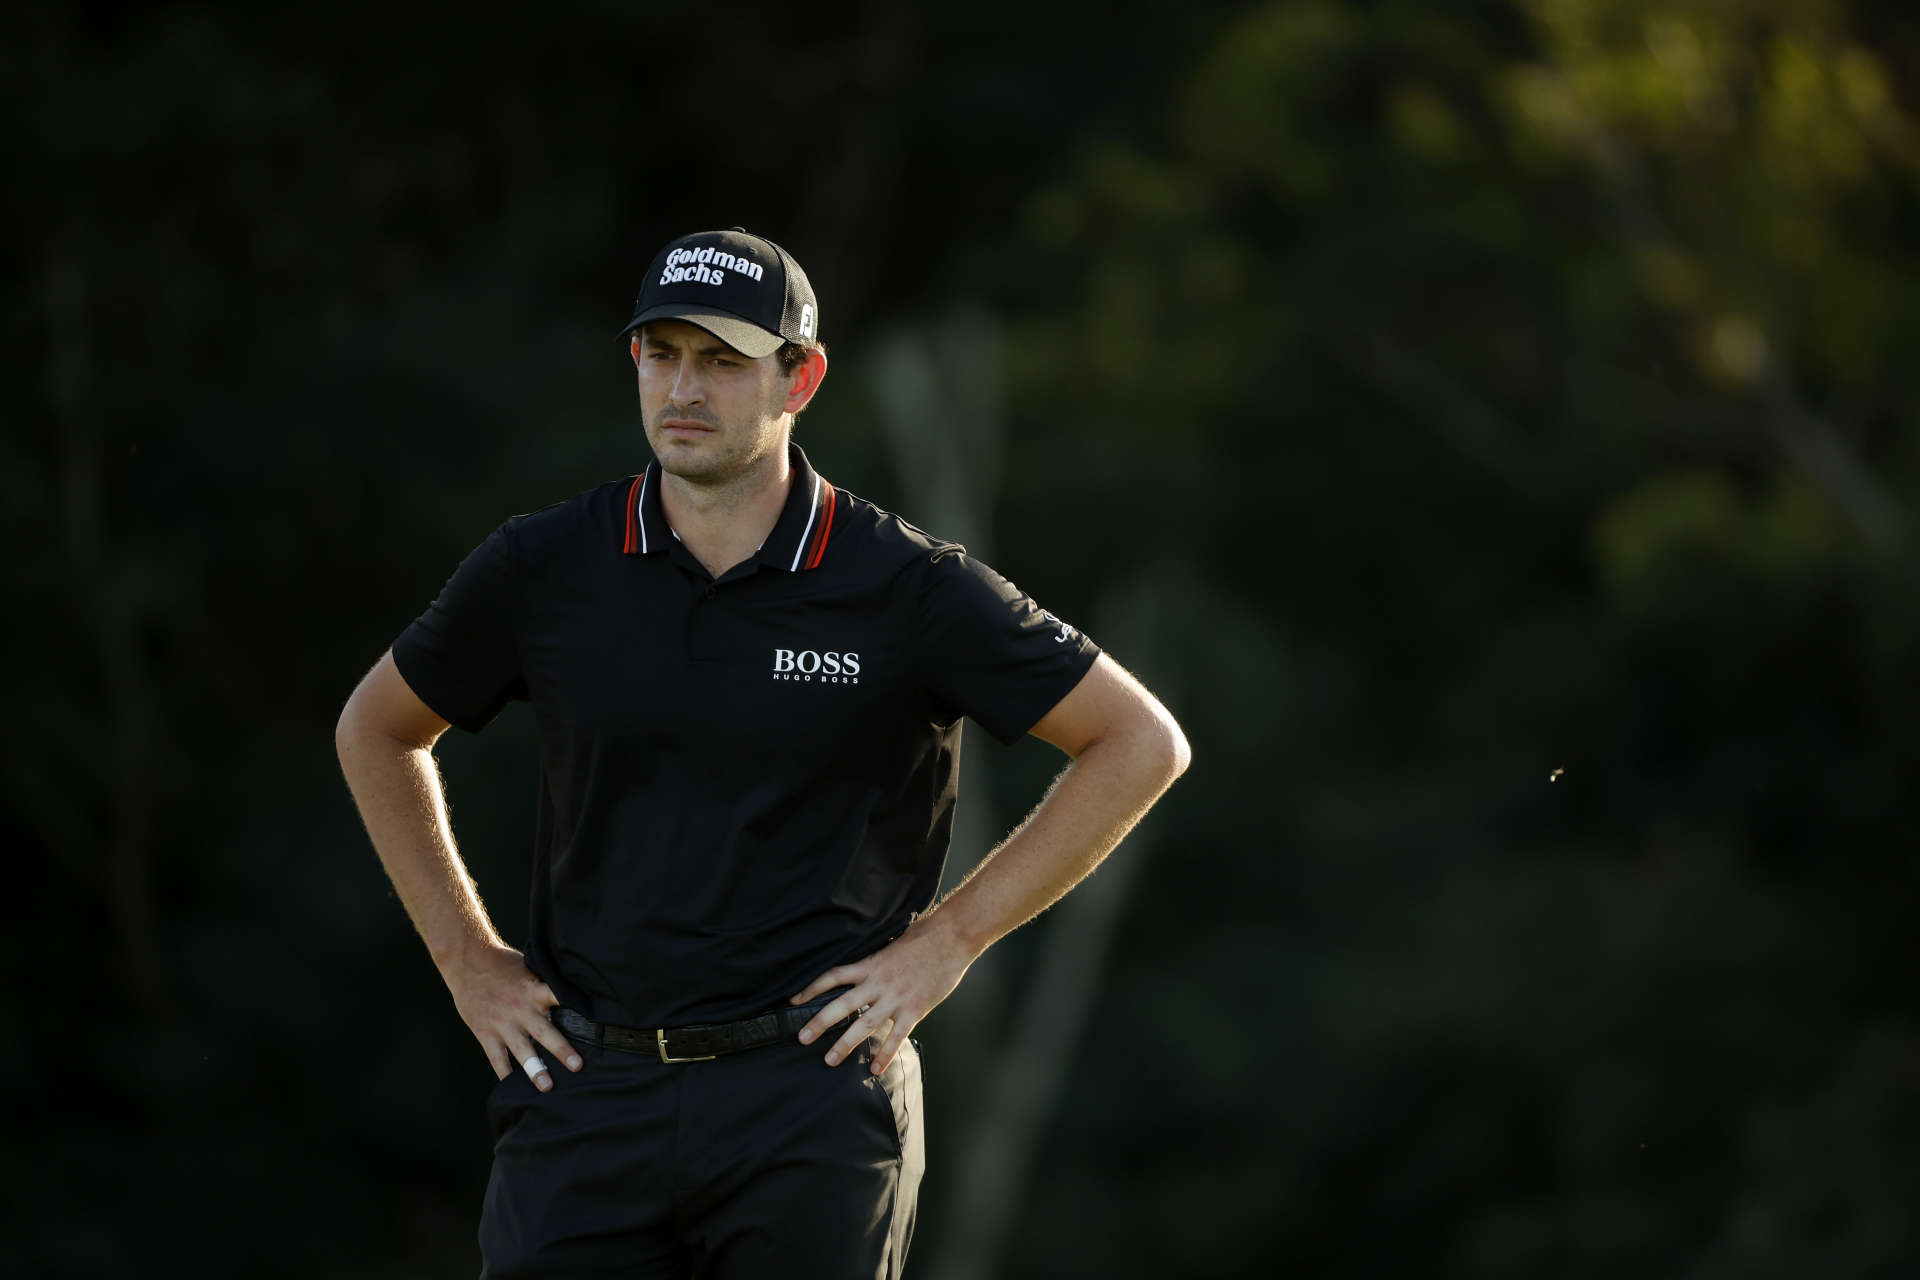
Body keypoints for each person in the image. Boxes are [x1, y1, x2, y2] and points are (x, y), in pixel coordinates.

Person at [335, 227, 1190, 1278]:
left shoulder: (904, 583)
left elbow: (1137, 741)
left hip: (812, 1094)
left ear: (802, 378)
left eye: (725, 358)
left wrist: (952, 938)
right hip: (587, 1087)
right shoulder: (544, 565)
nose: (684, 386)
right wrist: (466, 958)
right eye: (664, 352)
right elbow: (377, 728)